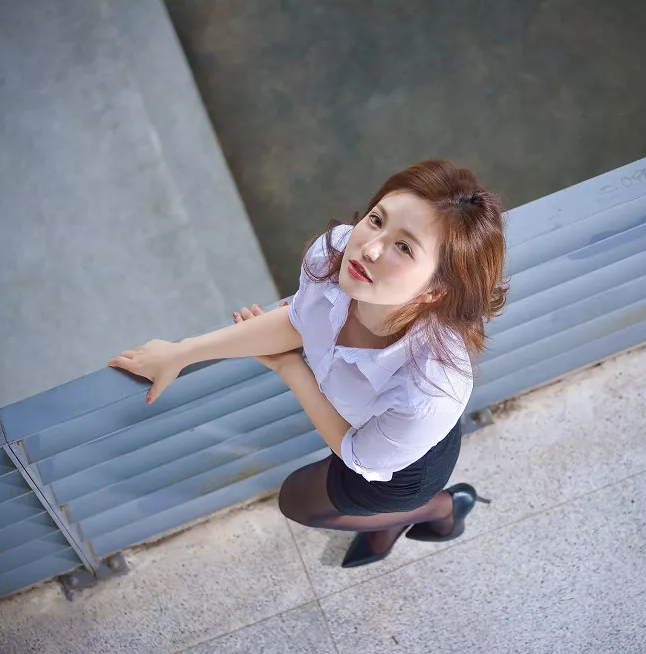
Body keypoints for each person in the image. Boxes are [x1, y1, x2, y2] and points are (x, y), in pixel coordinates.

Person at [108, 160, 508, 567]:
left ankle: (441, 509)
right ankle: (391, 522)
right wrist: (180, 354)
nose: (368, 248)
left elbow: (359, 455)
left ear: (436, 291)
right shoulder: (335, 255)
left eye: (404, 248)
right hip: (380, 427)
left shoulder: (430, 392)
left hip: (403, 467)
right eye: (376, 220)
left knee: (297, 503)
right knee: (313, 499)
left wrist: (289, 368)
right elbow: (300, 321)